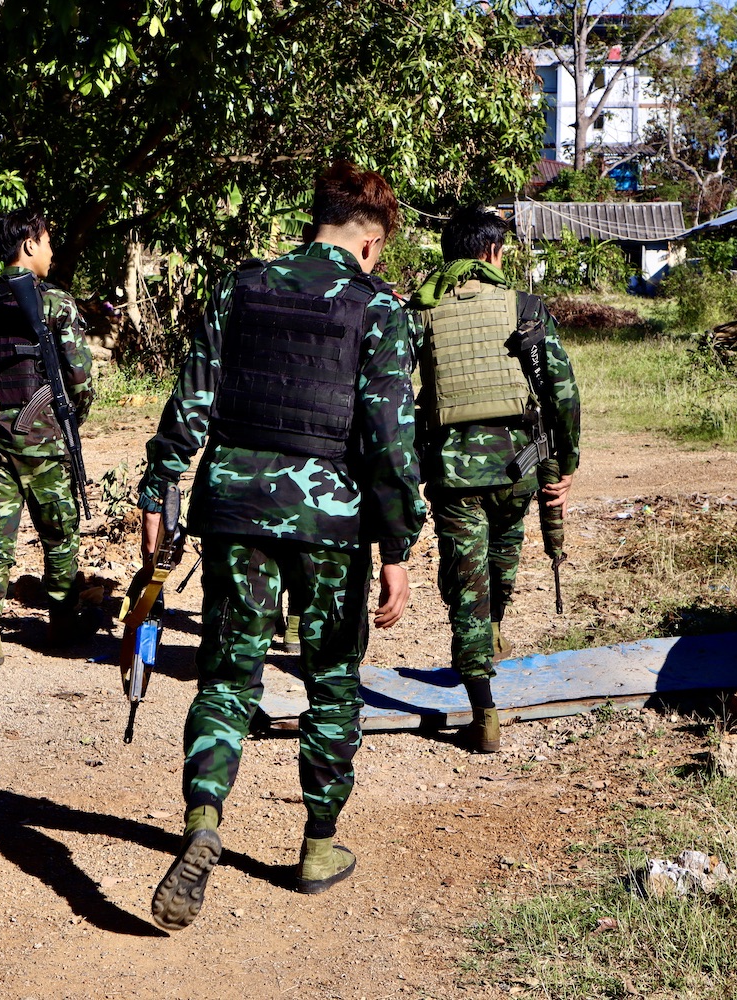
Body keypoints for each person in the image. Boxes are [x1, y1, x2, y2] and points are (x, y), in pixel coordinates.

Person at [137, 162, 426, 930]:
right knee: (331, 677)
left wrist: (158, 492)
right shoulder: (377, 308)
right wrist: (397, 544)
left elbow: (190, 400)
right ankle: (319, 846)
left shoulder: (242, 288)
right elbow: (390, 439)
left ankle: (204, 823)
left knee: (228, 676)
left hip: (234, 507)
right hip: (332, 523)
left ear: (316, 220)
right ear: (372, 243)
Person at [408, 206, 581, 753]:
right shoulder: (525, 308)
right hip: (517, 469)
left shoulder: (420, 311)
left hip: (453, 472)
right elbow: (563, 394)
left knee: (467, 582)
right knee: (502, 563)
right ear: (491, 253)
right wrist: (568, 463)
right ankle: (492, 634)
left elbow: (389, 391)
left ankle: (483, 707)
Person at [0, 207, 95, 669]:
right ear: (30, 244)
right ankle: (61, 620)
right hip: (43, 442)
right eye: (48, 239)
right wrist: (67, 419)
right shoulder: (56, 303)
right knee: (59, 532)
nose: (53, 250)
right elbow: (79, 377)